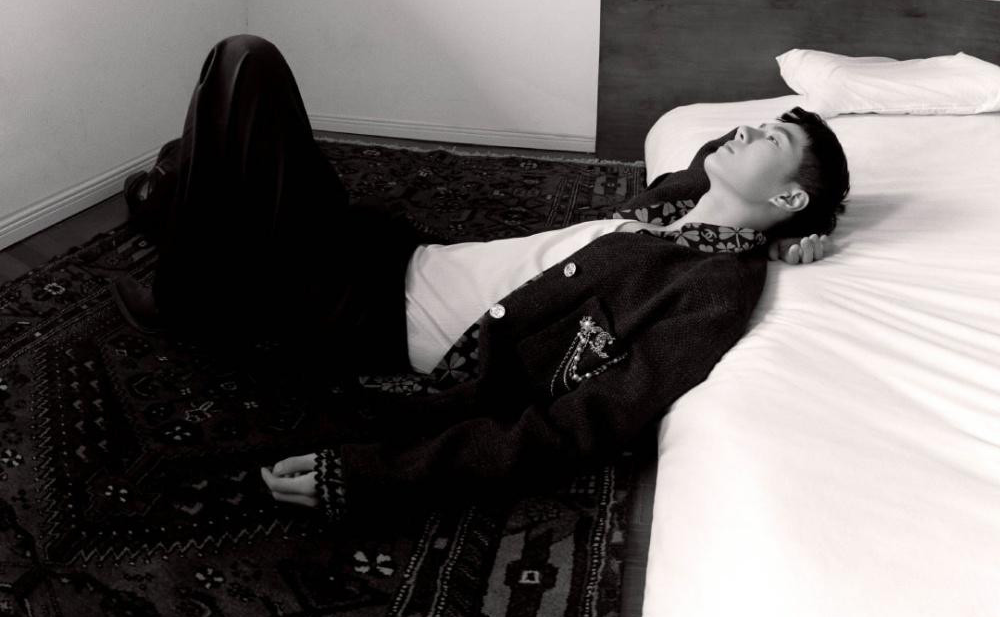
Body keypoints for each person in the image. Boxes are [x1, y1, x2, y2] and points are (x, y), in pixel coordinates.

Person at [113, 35, 849, 525]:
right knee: (218, 142)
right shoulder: (681, 202)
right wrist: (783, 232)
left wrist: (381, 476)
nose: (746, 130)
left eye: (772, 137)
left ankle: (184, 281)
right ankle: (183, 227)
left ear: (789, 195)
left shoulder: (709, 294)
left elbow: (580, 427)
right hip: (378, 251)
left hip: (365, 312)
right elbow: (710, 152)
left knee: (242, 70)